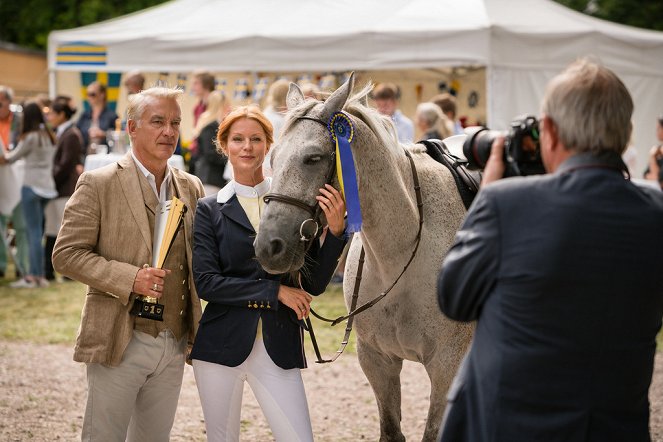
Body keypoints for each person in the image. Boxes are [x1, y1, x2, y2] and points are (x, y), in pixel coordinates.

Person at [436, 59, 663, 441]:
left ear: (551, 134)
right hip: (615, 427)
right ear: (626, 135)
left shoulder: (506, 204)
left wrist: (486, 197)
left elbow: (454, 299)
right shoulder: (656, 213)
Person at [52, 86, 205, 441]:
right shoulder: (98, 182)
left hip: (174, 339)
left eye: (175, 122)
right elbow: (66, 254)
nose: (169, 131)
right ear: (132, 127)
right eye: (158, 121)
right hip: (119, 336)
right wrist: (130, 278)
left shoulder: (192, 186)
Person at [190, 105, 347, 441]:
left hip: (280, 344)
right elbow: (207, 283)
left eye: (256, 139)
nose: (247, 147)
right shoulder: (209, 209)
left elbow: (314, 284)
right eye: (238, 139)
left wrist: (334, 233)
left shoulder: (296, 205)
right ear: (225, 146)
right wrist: (273, 292)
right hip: (220, 346)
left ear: (269, 146)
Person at [0, 101, 57, 288]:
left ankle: (33, 276)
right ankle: (39, 275)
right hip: (48, 188)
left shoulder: (29, 137)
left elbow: (10, 158)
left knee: (33, 232)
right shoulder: (48, 136)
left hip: (31, 187)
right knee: (37, 233)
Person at [43, 96, 84, 281]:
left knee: (64, 232)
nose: (49, 116)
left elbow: (66, 163)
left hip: (64, 188)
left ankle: (66, 272)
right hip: (57, 188)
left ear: (61, 114)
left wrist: (50, 180)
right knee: (53, 230)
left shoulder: (71, 134)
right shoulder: (61, 132)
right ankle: (49, 270)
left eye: (52, 113)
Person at [0, 85, 28, 280]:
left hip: (19, 176)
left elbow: (23, 146)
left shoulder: (20, 119)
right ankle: (1, 266)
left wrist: (10, 156)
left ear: (9, 102)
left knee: (21, 225)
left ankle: (23, 266)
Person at [192, 90, 230, 196]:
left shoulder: (216, 125)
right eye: (227, 105)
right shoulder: (210, 127)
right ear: (220, 106)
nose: (229, 108)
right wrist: (231, 159)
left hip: (215, 178)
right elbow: (211, 154)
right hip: (210, 178)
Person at [76, 81, 119, 154]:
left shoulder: (112, 116)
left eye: (92, 94)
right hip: (85, 156)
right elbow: (76, 133)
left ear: (102, 95)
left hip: (104, 156)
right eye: (87, 94)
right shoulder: (84, 115)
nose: (89, 97)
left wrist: (104, 134)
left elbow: (118, 136)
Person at [644, 114, 663, 188]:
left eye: (659, 128)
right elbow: (645, 175)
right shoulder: (657, 150)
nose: (656, 131)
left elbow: (659, 181)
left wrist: (652, 157)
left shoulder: (654, 153)